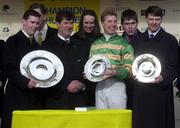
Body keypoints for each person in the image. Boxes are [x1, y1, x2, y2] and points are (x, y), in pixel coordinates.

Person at [130, 6, 178, 128]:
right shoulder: (136, 40)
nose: (154, 22)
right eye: (151, 19)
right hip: (141, 92)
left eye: (157, 19)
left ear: (161, 19)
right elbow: (131, 64)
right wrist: (133, 74)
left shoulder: (170, 40)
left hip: (161, 92)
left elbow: (174, 66)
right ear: (146, 19)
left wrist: (163, 77)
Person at [41, 10, 89, 109]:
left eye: (71, 23)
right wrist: (65, 85)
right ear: (57, 24)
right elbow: (45, 74)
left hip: (79, 99)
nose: (69, 26)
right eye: (65, 23)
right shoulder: (47, 45)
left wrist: (82, 84)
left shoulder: (81, 45)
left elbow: (86, 69)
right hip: (56, 99)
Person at [1, 9, 41, 128]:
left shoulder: (37, 45)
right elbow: (8, 68)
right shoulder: (12, 41)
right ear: (23, 22)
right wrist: (25, 82)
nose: (34, 26)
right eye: (32, 22)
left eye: (37, 23)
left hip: (34, 97)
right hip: (17, 96)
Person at [89, 9, 134, 109]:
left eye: (114, 21)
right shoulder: (95, 44)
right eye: (109, 21)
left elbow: (129, 70)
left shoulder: (124, 43)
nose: (113, 24)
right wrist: (88, 73)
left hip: (117, 86)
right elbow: (90, 66)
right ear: (102, 23)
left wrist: (114, 72)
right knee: (101, 122)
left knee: (117, 121)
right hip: (99, 86)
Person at [72, 9, 102, 106]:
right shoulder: (74, 38)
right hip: (80, 85)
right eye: (86, 23)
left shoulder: (101, 39)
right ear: (81, 23)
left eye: (92, 23)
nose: (89, 26)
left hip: (98, 85)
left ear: (96, 23)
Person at [121, 9, 142, 109]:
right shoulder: (117, 41)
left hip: (142, 86)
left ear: (137, 23)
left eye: (133, 23)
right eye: (127, 23)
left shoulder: (146, 40)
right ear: (122, 25)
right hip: (122, 85)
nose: (130, 27)